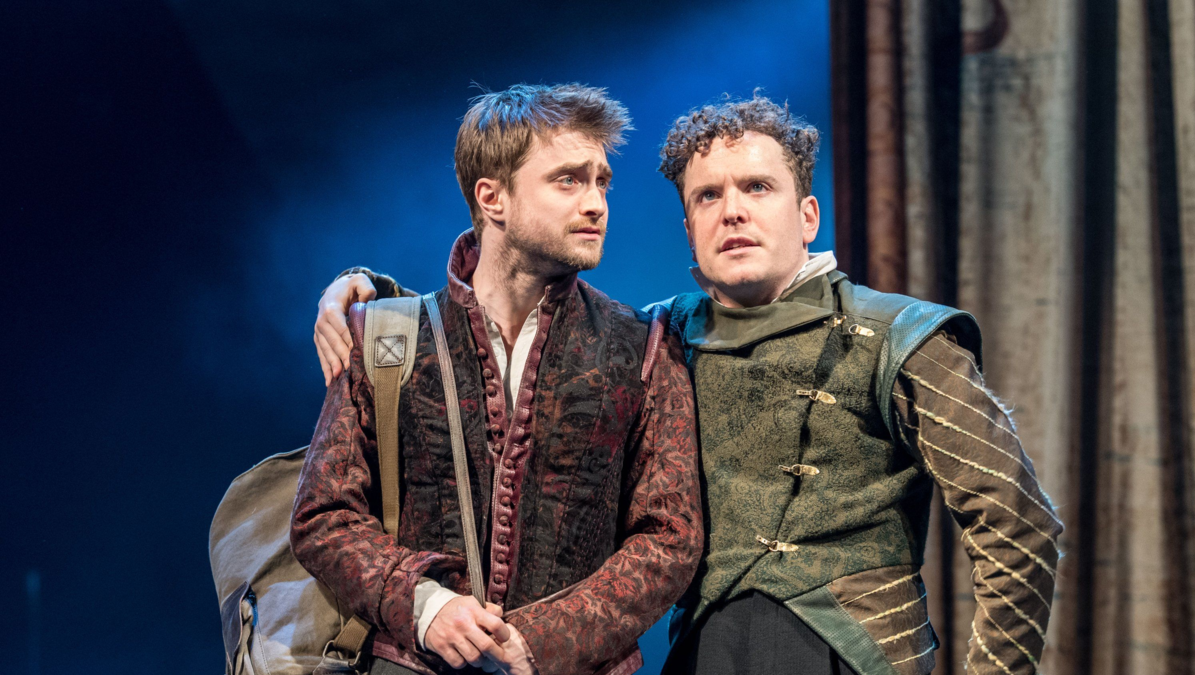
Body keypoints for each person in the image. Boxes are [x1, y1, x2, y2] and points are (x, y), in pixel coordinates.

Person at [314, 95, 1062, 675]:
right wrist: (370, 298)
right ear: (689, 231)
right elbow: (495, 329)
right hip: (708, 655)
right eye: (708, 196)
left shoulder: (902, 338)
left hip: (854, 652)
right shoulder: (663, 333)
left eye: (757, 187)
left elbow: (1019, 525)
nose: (732, 209)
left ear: (808, 215)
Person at [292, 83, 703, 675]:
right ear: (492, 197)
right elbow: (324, 514)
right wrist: (426, 606)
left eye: (601, 182)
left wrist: (541, 640)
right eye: (568, 180)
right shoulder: (384, 336)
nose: (596, 203)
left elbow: (670, 536)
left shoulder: (643, 346)